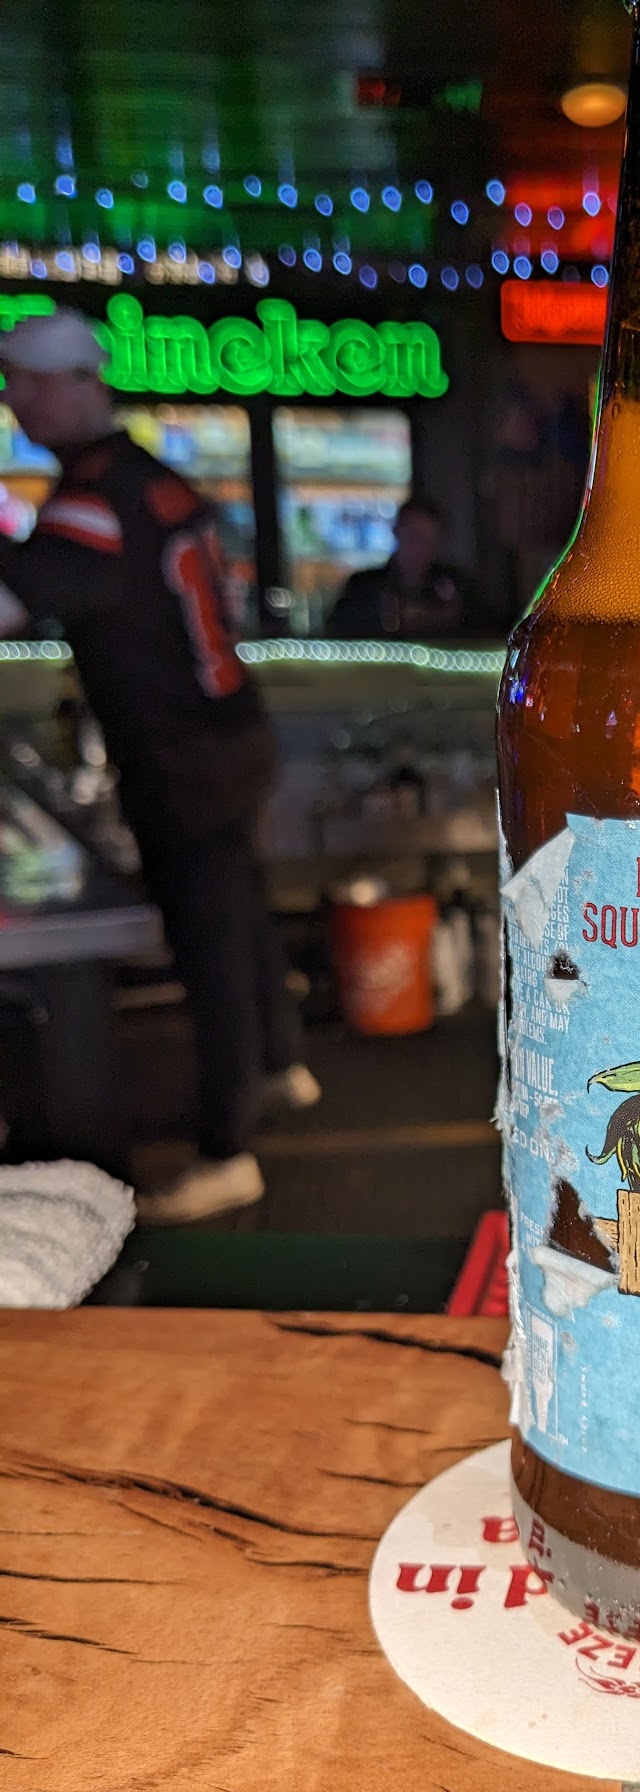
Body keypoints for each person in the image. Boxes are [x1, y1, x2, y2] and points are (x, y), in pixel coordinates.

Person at [0, 308, 319, 1224]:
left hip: (180, 756)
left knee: (209, 945)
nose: (17, 404)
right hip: (233, 733)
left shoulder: (92, 499)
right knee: (242, 916)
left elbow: (11, 605)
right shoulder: (154, 479)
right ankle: (280, 1066)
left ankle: (227, 1153)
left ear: (69, 386)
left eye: (24, 384)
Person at [325, 494, 480, 640]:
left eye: (429, 540)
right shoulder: (363, 587)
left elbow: (482, 634)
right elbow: (337, 636)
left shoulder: (458, 588)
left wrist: (450, 619)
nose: (420, 548)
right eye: (414, 537)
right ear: (396, 532)